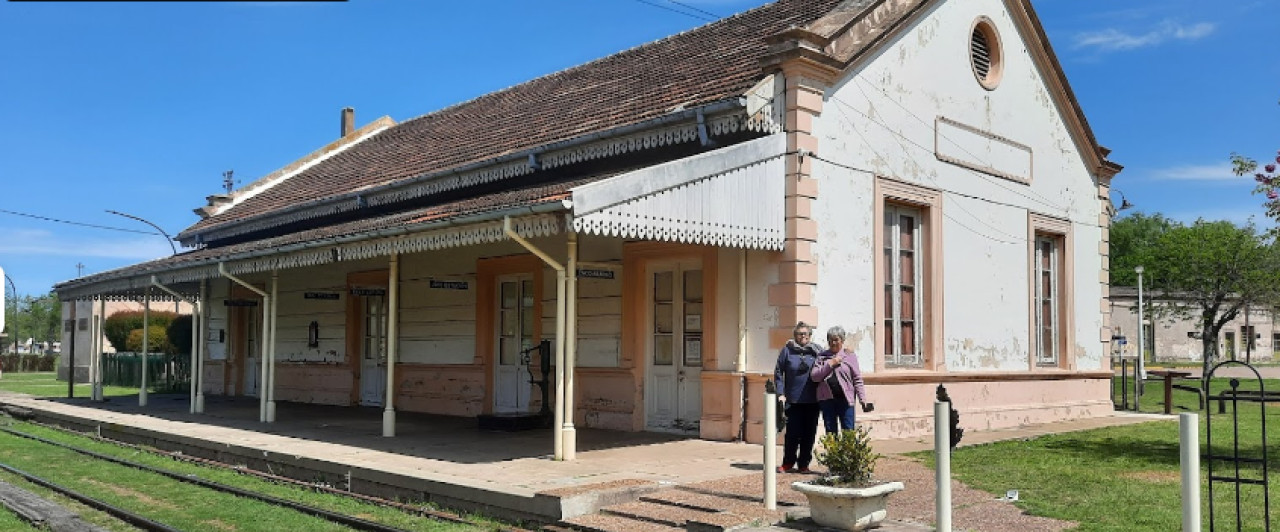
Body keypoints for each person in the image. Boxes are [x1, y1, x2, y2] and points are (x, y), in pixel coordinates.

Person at [773, 321, 822, 473]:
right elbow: (778, 372)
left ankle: (804, 464)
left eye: (805, 334)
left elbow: (827, 366)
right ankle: (788, 462)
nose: (802, 336)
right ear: (795, 336)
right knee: (792, 434)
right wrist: (781, 393)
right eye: (799, 334)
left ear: (810, 335)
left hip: (812, 400)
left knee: (809, 434)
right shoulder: (787, 351)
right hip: (793, 401)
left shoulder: (817, 351)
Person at [810, 325, 872, 434]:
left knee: (848, 431)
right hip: (827, 400)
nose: (833, 343)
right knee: (831, 432)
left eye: (836, 340)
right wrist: (830, 364)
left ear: (842, 340)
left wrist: (863, 400)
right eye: (830, 340)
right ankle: (833, 452)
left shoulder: (850, 356)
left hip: (846, 400)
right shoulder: (822, 357)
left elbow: (857, 379)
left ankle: (847, 452)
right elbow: (815, 377)